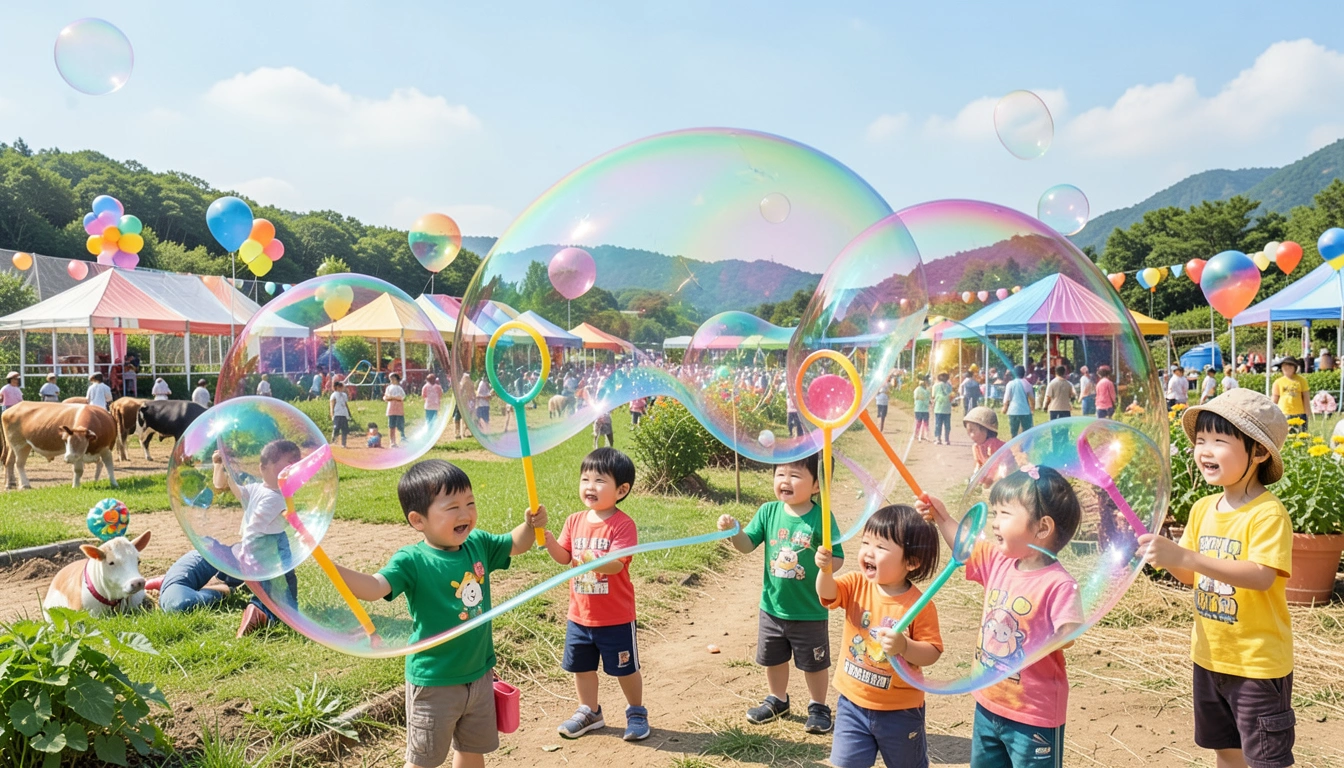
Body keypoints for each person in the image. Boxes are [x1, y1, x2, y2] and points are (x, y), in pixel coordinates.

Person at [332, 460, 544, 768]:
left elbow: (515, 544)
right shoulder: (412, 560)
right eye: (452, 507)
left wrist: (530, 525)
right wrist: (333, 571)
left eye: (470, 503)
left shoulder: (478, 543)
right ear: (418, 520)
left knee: (472, 750)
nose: (465, 514)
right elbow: (375, 587)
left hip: (480, 673)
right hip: (435, 682)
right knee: (424, 760)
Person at [1138, 389, 1294, 768]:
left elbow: (1260, 575)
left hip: (1256, 664)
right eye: (1201, 440)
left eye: (1219, 441)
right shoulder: (1203, 508)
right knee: (1225, 749)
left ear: (1258, 452)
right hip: (1209, 657)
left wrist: (1186, 555)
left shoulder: (1267, 514)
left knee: (1265, 759)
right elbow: (1191, 576)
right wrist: (1165, 556)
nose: (1205, 450)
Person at [919, 466, 1083, 768]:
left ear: (1042, 528)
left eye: (1004, 514)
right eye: (994, 513)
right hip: (988, 702)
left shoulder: (1058, 583)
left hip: (1034, 715)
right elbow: (964, 543)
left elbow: (1069, 631)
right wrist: (940, 515)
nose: (994, 524)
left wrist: (1066, 629)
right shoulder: (999, 561)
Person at [717, 453, 844, 735]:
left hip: (809, 609)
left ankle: (819, 706)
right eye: (780, 474)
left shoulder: (822, 517)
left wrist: (827, 563)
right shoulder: (768, 512)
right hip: (772, 607)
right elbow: (747, 545)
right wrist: (733, 531)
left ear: (816, 485)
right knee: (773, 658)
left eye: (795, 475)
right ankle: (778, 699)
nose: (785, 480)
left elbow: (838, 558)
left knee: (814, 663)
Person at [814, 505, 943, 768]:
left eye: (881, 547)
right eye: (865, 542)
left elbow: (932, 652)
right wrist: (824, 571)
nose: (868, 552)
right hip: (852, 704)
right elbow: (827, 593)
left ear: (912, 562)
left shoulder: (920, 605)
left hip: (901, 710)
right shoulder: (855, 584)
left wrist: (905, 646)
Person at [540, 448, 648, 741]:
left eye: (599, 480)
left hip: (615, 617)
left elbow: (615, 565)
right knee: (582, 668)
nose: (589, 486)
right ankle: (590, 711)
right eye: (585, 478)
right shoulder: (575, 520)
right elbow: (564, 557)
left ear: (621, 489)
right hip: (580, 616)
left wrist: (589, 556)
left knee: (625, 669)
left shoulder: (623, 525)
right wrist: (547, 539)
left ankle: (636, 711)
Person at [212, 439, 304, 637]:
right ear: (263, 468)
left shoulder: (255, 489)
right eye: (288, 465)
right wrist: (247, 550)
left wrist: (219, 465)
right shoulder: (276, 497)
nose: (292, 470)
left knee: (265, 582)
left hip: (255, 544)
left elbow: (222, 485)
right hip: (270, 545)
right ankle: (262, 612)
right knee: (285, 588)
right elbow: (255, 526)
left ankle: (258, 605)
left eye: (296, 465)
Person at [1271, 356, 1309, 431]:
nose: (1287, 368)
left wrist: (1307, 413)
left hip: (1299, 413)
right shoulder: (1278, 382)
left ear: (1295, 368)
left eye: (1290, 366)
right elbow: (1275, 398)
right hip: (1284, 412)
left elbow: (1306, 397)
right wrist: (1272, 412)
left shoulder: (1301, 380)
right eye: (1284, 366)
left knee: (1301, 434)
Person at [1002, 366, 1034, 438]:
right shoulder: (1028, 384)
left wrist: (1005, 408)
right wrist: (1032, 410)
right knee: (1026, 432)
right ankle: (1025, 447)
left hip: (1013, 411)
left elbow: (1007, 398)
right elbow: (1032, 399)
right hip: (1025, 411)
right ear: (1024, 373)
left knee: (1014, 432)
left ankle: (1014, 447)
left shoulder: (1010, 384)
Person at [932, 372, 955, 446]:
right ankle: (947, 440)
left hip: (938, 408)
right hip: (947, 408)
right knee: (947, 425)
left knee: (938, 424)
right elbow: (952, 397)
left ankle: (938, 439)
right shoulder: (949, 386)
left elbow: (933, 396)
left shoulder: (935, 386)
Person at [384, 373, 406, 448]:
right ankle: (392, 441)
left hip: (398, 409)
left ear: (396, 379)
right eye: (390, 379)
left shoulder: (399, 388)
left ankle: (400, 439)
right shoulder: (389, 388)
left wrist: (392, 397)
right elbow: (386, 397)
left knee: (399, 425)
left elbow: (401, 397)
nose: (391, 381)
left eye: (393, 379)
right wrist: (392, 398)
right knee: (391, 425)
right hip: (391, 409)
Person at [329, 380, 351, 448]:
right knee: (336, 428)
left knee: (344, 429)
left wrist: (348, 412)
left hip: (343, 413)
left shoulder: (344, 395)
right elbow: (332, 405)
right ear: (337, 387)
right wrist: (332, 414)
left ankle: (343, 443)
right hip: (337, 414)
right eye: (340, 387)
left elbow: (345, 404)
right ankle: (334, 442)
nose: (342, 388)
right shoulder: (334, 395)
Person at [913, 375, 931, 443]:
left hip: (918, 408)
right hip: (925, 409)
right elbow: (928, 399)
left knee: (918, 422)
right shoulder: (927, 391)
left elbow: (915, 398)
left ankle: (916, 434)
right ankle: (926, 435)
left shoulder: (916, 390)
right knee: (926, 423)